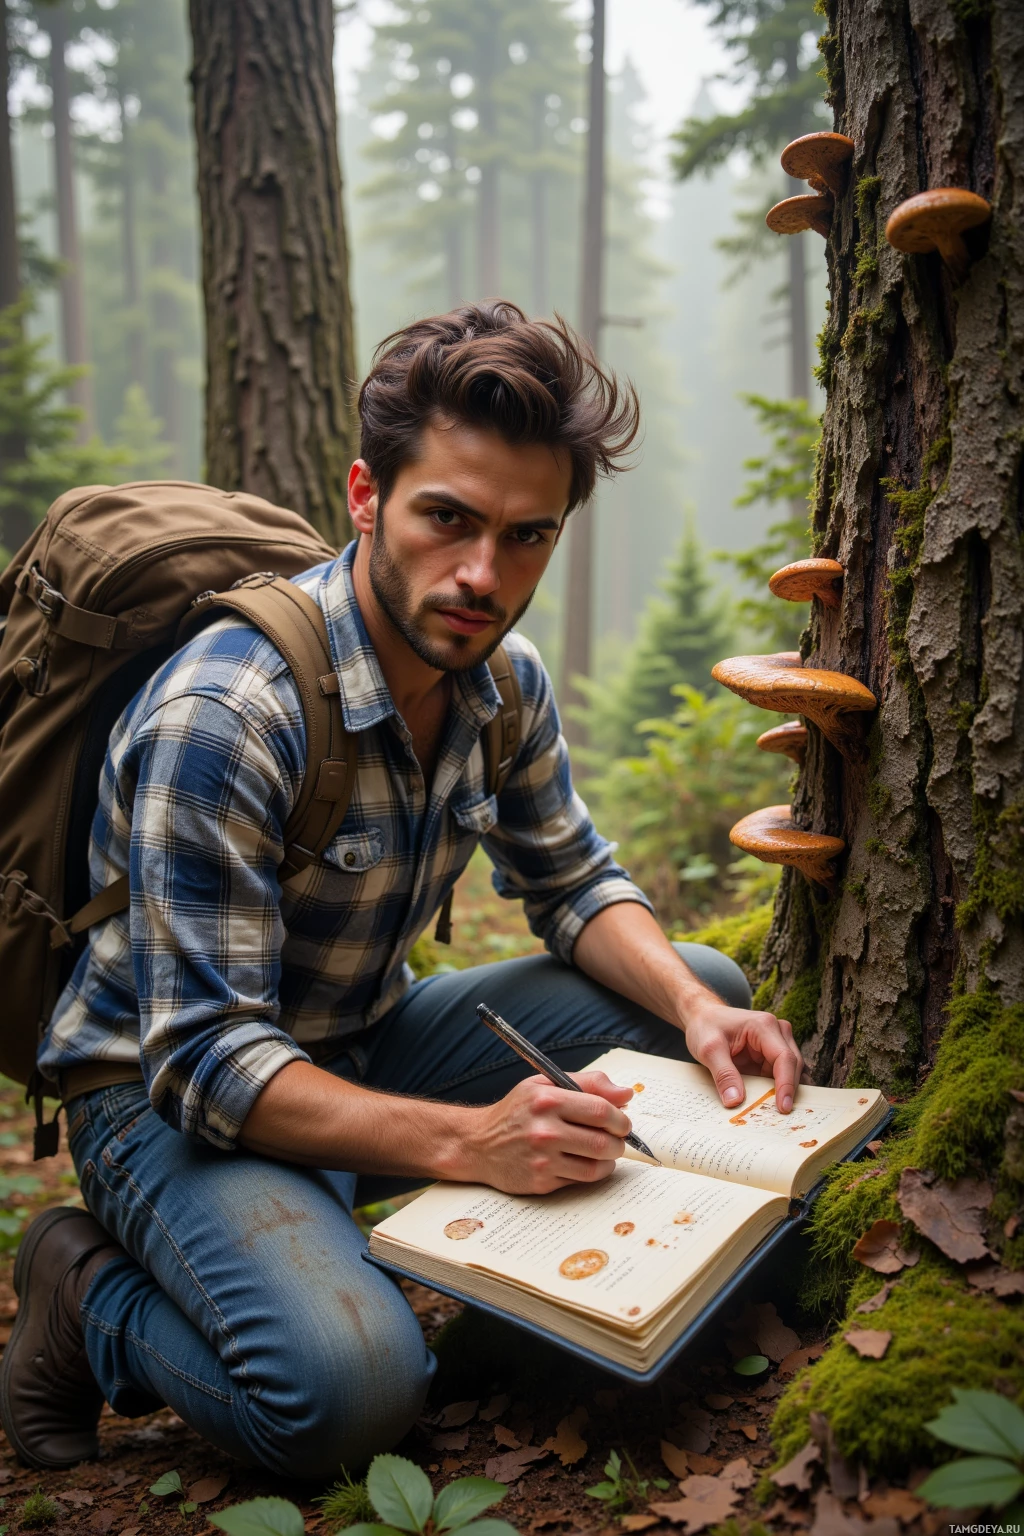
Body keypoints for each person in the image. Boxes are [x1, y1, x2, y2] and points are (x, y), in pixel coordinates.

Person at [0, 303, 801, 1478]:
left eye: (527, 537)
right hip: (165, 1095)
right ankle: (86, 1297)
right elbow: (210, 1063)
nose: (484, 574)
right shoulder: (227, 715)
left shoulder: (500, 681)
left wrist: (692, 1008)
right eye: (447, 519)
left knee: (699, 1005)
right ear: (368, 497)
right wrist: (475, 1142)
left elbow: (573, 881)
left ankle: (519, 1293)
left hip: (360, 1044)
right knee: (348, 1397)